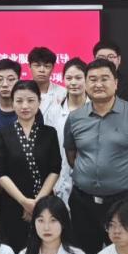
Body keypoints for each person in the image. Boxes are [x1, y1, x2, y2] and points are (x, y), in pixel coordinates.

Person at [65, 58, 128, 254]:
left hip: (122, 200)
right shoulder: (75, 118)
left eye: (104, 79)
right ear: (86, 83)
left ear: (115, 83)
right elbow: (71, 155)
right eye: (93, 79)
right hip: (83, 202)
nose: (98, 84)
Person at [0, 81, 61, 252]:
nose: (25, 106)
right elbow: (0, 172)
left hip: (44, 203)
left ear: (39, 102)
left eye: (30, 100)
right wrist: (24, 202)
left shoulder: (49, 133)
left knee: (46, 249)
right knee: (15, 251)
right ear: (12, 103)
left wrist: (37, 202)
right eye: (19, 101)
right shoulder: (3, 134)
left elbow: (55, 169)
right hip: (13, 204)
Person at [47, 57, 88, 204]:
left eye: (78, 78)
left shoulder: (95, 110)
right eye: (69, 78)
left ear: (87, 79)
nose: (73, 82)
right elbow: (48, 148)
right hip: (59, 179)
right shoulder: (54, 112)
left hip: (89, 180)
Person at [28, 46, 66, 123]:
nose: (42, 70)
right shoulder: (21, 92)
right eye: (37, 66)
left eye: (46, 66)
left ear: (53, 68)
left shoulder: (63, 93)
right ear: (29, 67)